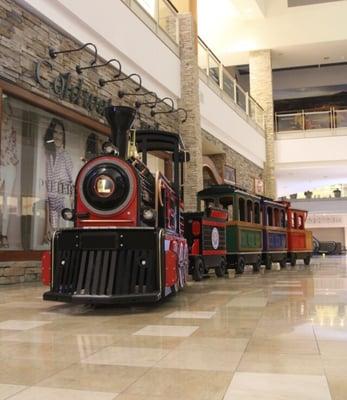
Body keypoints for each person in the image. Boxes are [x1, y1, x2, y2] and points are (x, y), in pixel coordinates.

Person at [43, 118, 73, 242]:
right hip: (52, 202)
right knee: (55, 236)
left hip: (64, 201)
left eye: (61, 133)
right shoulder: (49, 156)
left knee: (65, 236)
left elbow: (73, 180)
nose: (58, 136)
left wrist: (71, 200)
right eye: (55, 132)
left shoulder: (66, 156)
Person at [0, 99, 18, 248]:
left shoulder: (12, 130)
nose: (6, 117)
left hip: (10, 166)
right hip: (1, 165)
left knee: (7, 202)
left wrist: (13, 160)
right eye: (5, 114)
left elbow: (13, 149)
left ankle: (4, 235)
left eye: (8, 114)